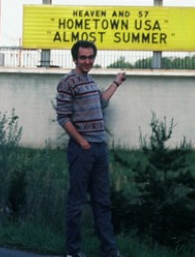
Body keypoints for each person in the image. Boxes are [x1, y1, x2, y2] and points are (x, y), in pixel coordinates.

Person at [56, 40, 126, 257]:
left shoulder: (89, 80)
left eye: (90, 57)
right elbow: (63, 117)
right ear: (75, 58)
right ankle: (73, 252)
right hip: (82, 150)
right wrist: (82, 141)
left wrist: (116, 83)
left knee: (103, 202)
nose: (87, 61)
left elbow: (101, 102)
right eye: (83, 57)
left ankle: (109, 250)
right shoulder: (67, 82)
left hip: (99, 149)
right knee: (77, 202)